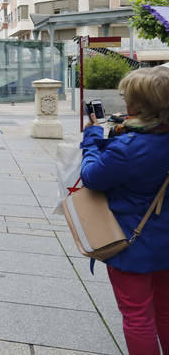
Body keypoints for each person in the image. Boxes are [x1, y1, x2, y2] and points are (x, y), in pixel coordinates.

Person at [80, 67, 169, 355]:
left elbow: (92, 176)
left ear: (140, 104)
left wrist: (92, 137)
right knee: (166, 311)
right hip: (165, 242)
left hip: (133, 242)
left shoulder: (129, 147)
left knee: (138, 316)